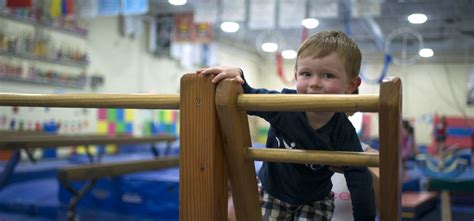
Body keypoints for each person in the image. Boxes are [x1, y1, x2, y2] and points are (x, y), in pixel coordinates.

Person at [197, 30, 376, 221]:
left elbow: (359, 180)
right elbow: (249, 96)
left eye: (328, 75)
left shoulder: (343, 131)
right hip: (272, 192)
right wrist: (238, 75)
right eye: (306, 74)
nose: (314, 83)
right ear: (296, 75)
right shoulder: (284, 105)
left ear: (351, 84)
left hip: (315, 199)